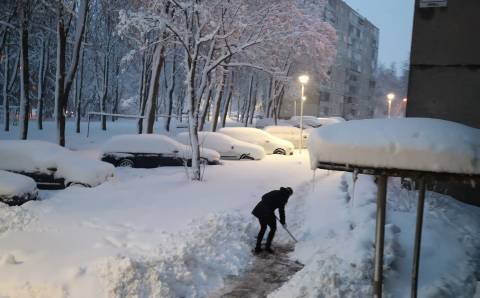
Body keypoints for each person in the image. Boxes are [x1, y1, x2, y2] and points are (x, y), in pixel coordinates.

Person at [251, 186, 293, 254]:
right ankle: (267, 247)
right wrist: (283, 222)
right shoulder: (284, 198)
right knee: (273, 228)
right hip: (267, 212)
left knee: (263, 228)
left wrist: (270, 207)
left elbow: (263, 197)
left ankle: (257, 248)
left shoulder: (276, 191)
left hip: (259, 209)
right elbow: (281, 211)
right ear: (289, 194)